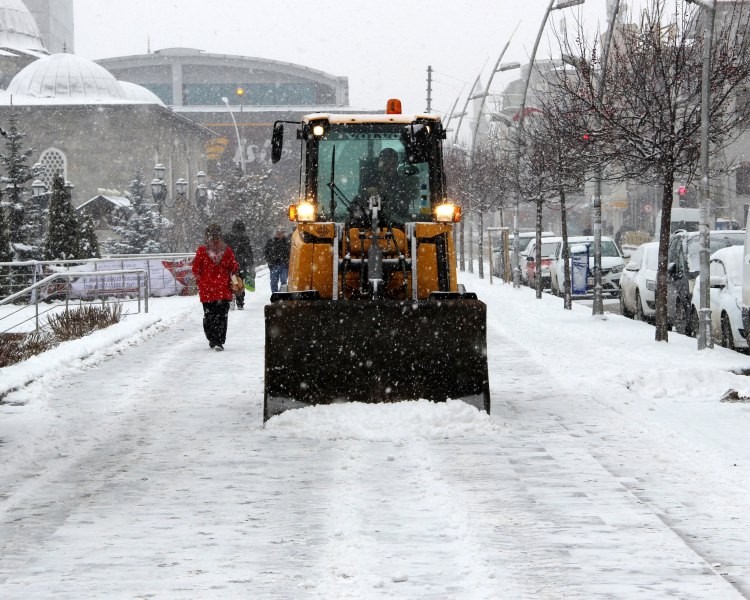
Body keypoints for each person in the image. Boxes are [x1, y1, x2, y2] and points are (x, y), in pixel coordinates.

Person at [192, 223, 239, 351]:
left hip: (207, 291)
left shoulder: (202, 251)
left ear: (207, 236)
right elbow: (233, 267)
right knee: (222, 316)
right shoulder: (226, 250)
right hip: (222, 289)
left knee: (209, 316)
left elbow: (196, 269)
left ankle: (212, 338)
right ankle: (219, 340)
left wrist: (200, 280)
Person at [366, 147, 419, 221]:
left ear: (397, 164)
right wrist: (367, 193)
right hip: (368, 224)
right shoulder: (368, 181)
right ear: (379, 164)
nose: (389, 167)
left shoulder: (403, 184)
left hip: (398, 226)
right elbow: (359, 202)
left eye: (392, 164)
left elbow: (404, 206)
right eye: (386, 164)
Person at [224, 219, 255, 310]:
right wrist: (250, 264)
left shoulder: (227, 237)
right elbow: (249, 252)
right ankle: (240, 301)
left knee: (231, 281)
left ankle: (230, 298)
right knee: (240, 283)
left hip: (230, 265)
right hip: (242, 265)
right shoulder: (245, 238)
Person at [264, 227, 291, 294]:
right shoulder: (270, 242)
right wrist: (269, 261)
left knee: (283, 281)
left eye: (281, 233)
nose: (279, 234)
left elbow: (291, 252)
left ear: (283, 233)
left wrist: (288, 260)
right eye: (278, 233)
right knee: (273, 282)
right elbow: (266, 252)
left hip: (284, 265)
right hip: (274, 265)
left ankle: (282, 296)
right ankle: (275, 295)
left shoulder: (287, 242)